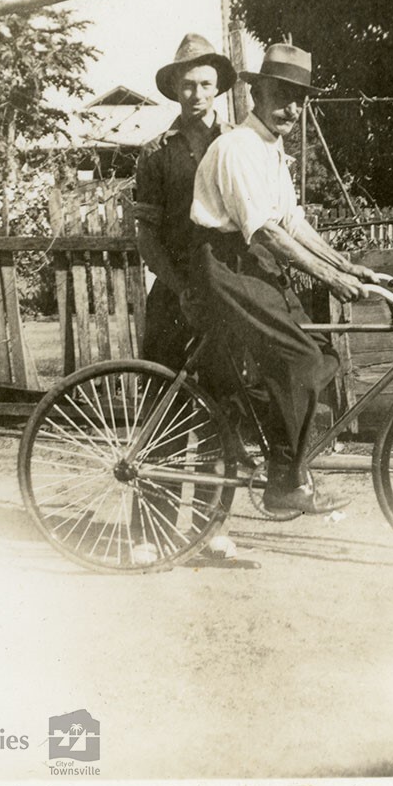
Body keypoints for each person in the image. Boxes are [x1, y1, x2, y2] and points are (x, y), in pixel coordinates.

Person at [190, 43, 383, 514]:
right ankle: (284, 480)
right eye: (281, 94)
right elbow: (265, 232)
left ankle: (279, 459)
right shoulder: (236, 147)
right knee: (299, 360)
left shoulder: (271, 150)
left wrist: (343, 265)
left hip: (253, 264)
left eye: (300, 99)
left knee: (321, 357)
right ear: (256, 92)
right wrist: (327, 279)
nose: (291, 108)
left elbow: (292, 221)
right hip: (226, 265)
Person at [133, 33, 240, 559]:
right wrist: (179, 289)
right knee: (164, 412)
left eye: (205, 84)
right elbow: (147, 237)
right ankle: (149, 533)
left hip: (225, 295)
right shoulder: (156, 153)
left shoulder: (237, 146)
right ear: (174, 88)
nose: (196, 93)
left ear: (217, 89)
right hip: (173, 298)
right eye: (187, 84)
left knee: (221, 412)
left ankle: (212, 529)